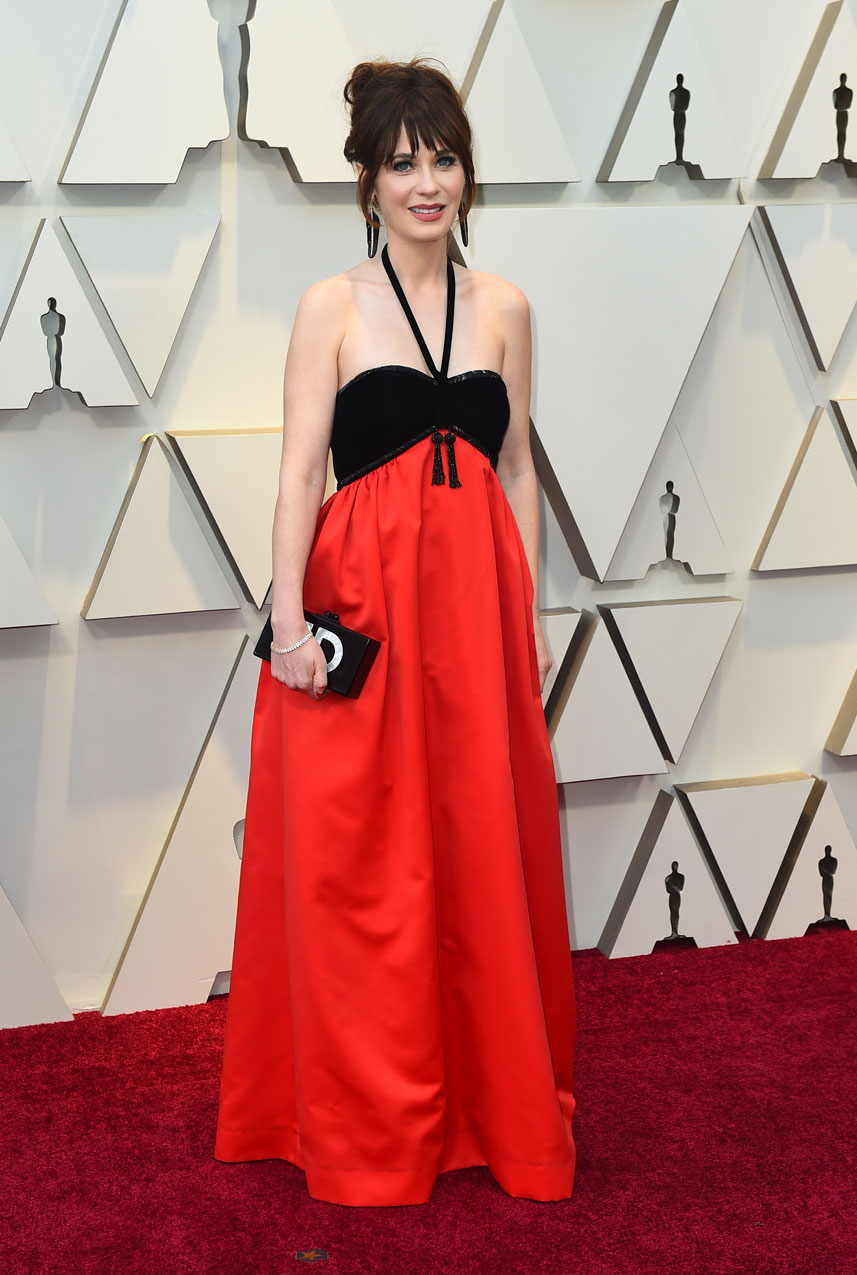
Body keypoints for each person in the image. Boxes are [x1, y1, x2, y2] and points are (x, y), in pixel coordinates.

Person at [214, 57, 577, 1208]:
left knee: (477, 849)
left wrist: (526, 617)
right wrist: (284, 625)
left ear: (467, 172)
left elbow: (516, 468)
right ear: (366, 181)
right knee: (361, 867)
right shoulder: (330, 306)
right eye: (402, 163)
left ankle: (492, 1110)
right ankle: (366, 1122)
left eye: (445, 158)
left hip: (474, 615)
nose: (428, 184)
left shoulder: (506, 307)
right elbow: (292, 474)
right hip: (358, 608)